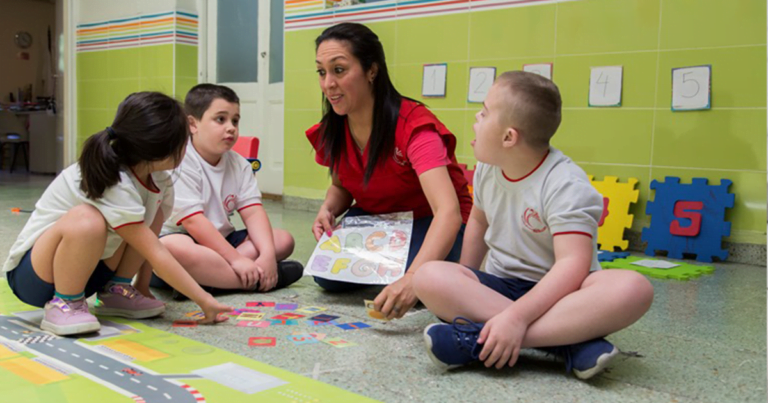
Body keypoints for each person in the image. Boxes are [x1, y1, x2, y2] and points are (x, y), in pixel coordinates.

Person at [412, 71, 654, 379]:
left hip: (563, 294)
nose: (476, 117)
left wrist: (516, 318)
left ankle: (482, 339)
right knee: (429, 276)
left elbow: (573, 266)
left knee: (634, 288)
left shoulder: (565, 184)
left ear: (509, 137)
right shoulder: (489, 168)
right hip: (501, 287)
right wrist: (467, 278)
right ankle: (566, 343)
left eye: (484, 113)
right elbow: (478, 220)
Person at [3, 92, 233, 336]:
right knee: (87, 218)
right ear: (161, 146)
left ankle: (118, 291)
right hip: (35, 278)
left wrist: (142, 286)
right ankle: (65, 303)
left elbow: (150, 241)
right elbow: (157, 254)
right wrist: (203, 299)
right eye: (183, 141)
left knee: (150, 218)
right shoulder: (114, 178)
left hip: (92, 273)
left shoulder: (161, 181)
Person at [307, 22, 473, 320]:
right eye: (322, 72)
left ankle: (432, 269)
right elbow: (342, 186)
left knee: (413, 275)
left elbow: (448, 212)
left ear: (372, 71)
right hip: (380, 222)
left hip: (430, 220)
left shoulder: (414, 126)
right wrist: (327, 208)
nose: (328, 83)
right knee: (327, 277)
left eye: (339, 70)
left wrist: (412, 279)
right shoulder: (334, 126)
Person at [136, 84, 303, 297]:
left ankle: (207, 282)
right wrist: (237, 260)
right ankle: (249, 282)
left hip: (222, 241)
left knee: (283, 240)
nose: (231, 127)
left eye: (235, 120)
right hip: (184, 239)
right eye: (220, 119)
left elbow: (253, 212)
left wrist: (268, 255)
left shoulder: (239, 164)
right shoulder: (179, 160)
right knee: (173, 247)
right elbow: (193, 222)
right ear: (193, 124)